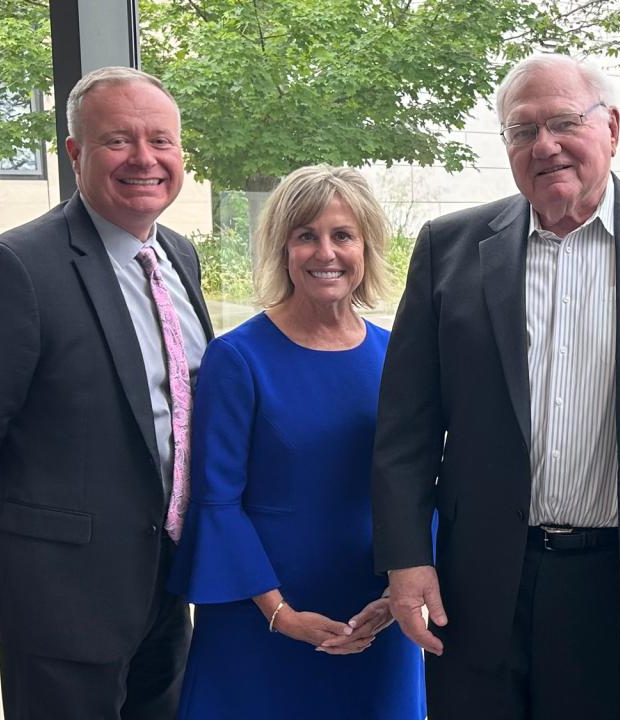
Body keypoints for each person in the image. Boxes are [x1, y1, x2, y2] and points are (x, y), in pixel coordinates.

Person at [371, 53, 620, 719]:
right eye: (522, 131)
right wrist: (405, 561)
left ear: (612, 128)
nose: (544, 145)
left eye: (564, 122)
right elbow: (406, 429)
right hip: (481, 586)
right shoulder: (447, 249)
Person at [0, 67, 212, 718]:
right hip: (58, 606)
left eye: (161, 141)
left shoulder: (179, 258)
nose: (145, 158)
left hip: (166, 588)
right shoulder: (17, 269)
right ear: (75, 153)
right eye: (118, 140)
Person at [166, 165, 425, 719]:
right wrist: (282, 615)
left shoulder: (397, 355)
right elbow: (217, 503)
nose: (324, 252)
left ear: (366, 248)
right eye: (305, 235)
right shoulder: (237, 358)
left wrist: (391, 599)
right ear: (283, 248)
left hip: (374, 615)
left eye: (342, 235)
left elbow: (421, 484)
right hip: (261, 619)